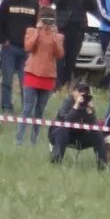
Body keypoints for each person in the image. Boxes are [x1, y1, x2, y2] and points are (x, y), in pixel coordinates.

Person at [15, 13, 64, 144]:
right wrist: (38, 31)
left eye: (50, 21)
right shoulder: (31, 31)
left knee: (40, 110)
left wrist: (54, 37)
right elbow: (28, 47)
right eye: (45, 20)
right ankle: (19, 139)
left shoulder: (58, 36)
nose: (47, 24)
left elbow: (59, 54)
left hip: (48, 76)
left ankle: (33, 140)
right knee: (27, 108)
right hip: (32, 73)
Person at [48, 83, 103, 167]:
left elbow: (94, 126)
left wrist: (90, 112)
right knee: (63, 130)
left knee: (98, 134)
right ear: (73, 92)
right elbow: (66, 121)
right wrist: (76, 105)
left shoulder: (86, 105)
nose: (83, 94)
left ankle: (102, 165)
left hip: (79, 136)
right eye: (80, 91)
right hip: (60, 134)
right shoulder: (67, 102)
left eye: (85, 92)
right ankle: (56, 161)